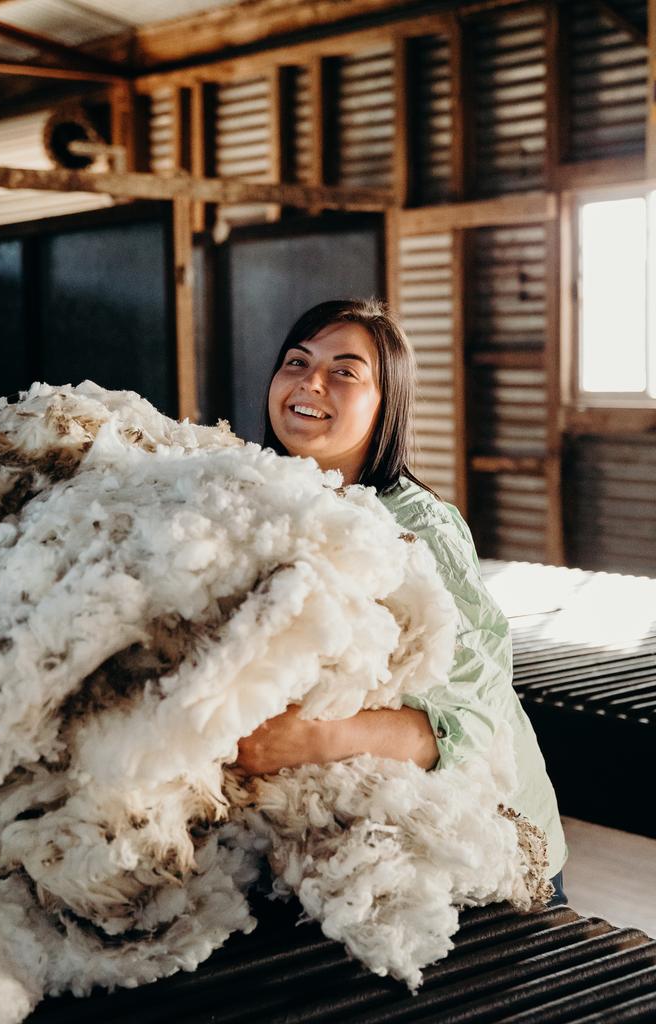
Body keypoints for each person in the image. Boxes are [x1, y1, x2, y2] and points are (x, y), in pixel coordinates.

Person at [234, 297, 568, 904]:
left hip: (480, 846)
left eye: (344, 371)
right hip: (359, 849)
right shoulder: (262, 509)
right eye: (296, 362)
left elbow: (467, 722)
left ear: (386, 404)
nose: (311, 382)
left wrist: (314, 738)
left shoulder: (419, 532)